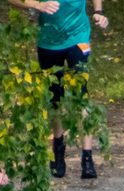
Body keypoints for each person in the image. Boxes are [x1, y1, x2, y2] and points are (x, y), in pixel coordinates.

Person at [15, 0, 108, 179]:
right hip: (48, 42)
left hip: (78, 37)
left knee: (81, 96)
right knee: (54, 98)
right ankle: (58, 150)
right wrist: (36, 5)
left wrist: (99, 11)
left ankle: (87, 158)